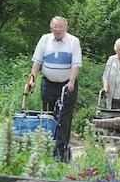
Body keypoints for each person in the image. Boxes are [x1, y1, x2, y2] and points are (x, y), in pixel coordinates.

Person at [29, 16, 82, 161]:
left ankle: (60, 149)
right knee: (48, 116)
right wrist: (32, 78)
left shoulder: (73, 41)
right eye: (54, 27)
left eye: (60, 27)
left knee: (63, 118)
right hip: (48, 84)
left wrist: (71, 81)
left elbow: (76, 64)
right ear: (50, 28)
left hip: (67, 85)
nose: (57, 29)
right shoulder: (45, 39)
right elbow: (37, 61)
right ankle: (47, 146)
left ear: (66, 28)